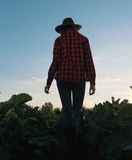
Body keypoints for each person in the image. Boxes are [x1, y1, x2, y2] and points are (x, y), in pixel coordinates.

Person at [44, 17, 96, 154]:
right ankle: (78, 140)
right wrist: (92, 82)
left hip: (62, 77)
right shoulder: (84, 40)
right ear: (74, 27)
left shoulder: (59, 40)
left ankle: (68, 143)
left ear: (63, 29)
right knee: (77, 110)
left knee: (66, 110)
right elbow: (89, 61)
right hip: (79, 78)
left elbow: (55, 62)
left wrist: (48, 82)